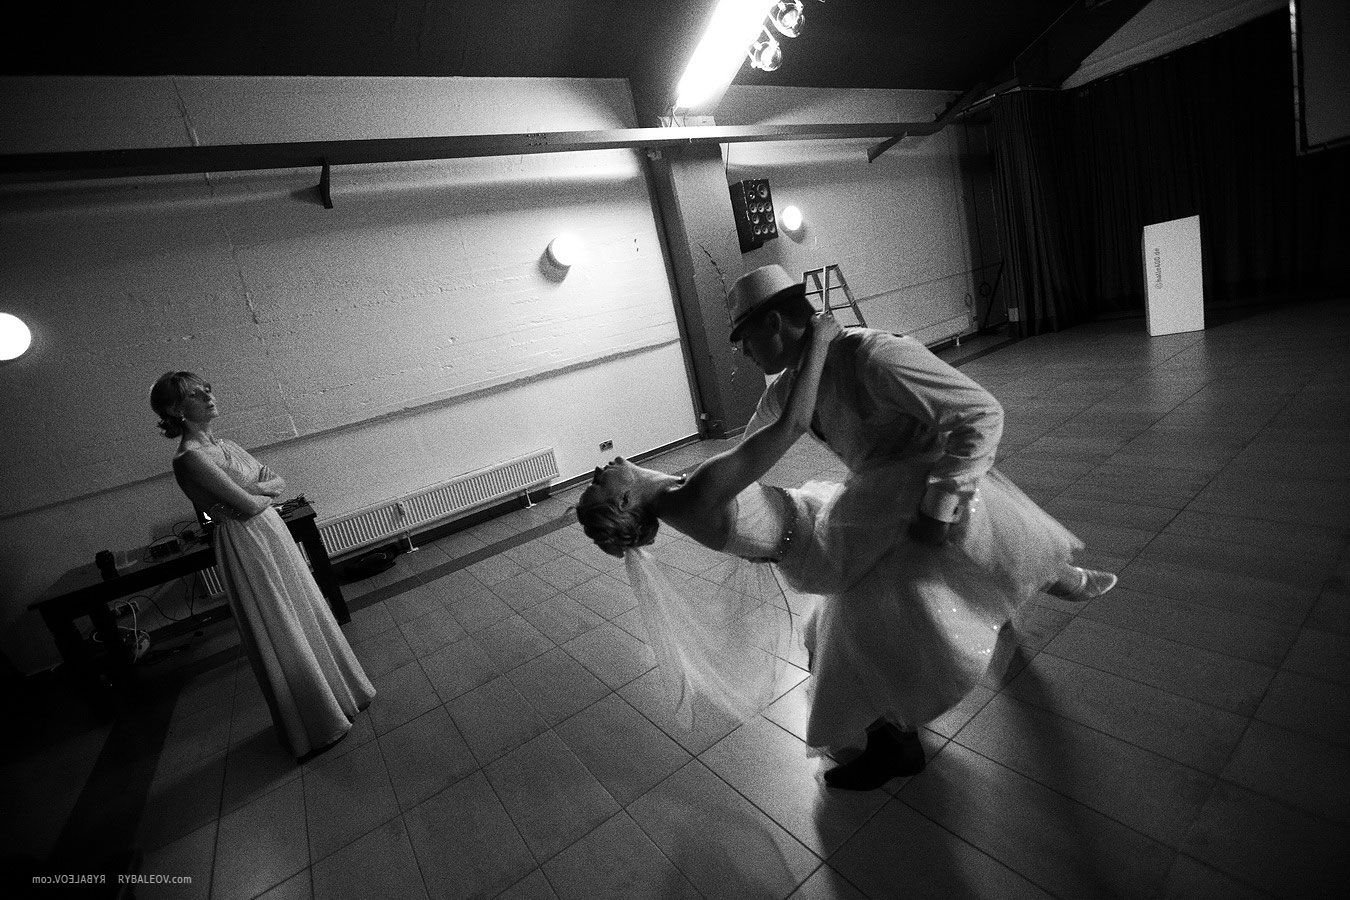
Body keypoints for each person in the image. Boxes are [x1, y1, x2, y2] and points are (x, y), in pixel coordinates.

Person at [150, 372, 375, 759]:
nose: (208, 396)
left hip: (270, 531)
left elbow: (278, 484)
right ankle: (317, 719)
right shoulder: (190, 458)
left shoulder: (228, 446)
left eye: (208, 389)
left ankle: (345, 694)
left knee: (304, 607)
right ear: (175, 410)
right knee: (280, 621)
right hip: (244, 540)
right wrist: (257, 489)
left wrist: (254, 491)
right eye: (195, 394)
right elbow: (249, 503)